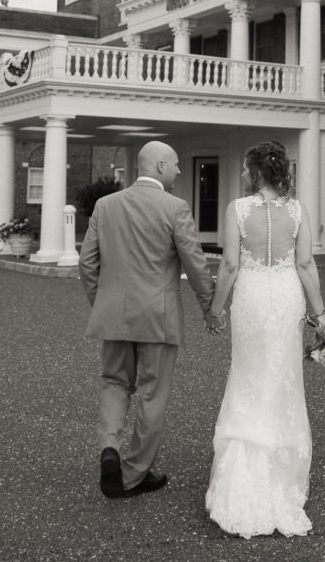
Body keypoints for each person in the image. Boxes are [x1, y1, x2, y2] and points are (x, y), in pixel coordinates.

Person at [204, 140, 325, 538]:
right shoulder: (296, 210)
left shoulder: (238, 209)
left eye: (245, 169)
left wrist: (216, 309)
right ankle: (279, 473)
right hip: (286, 296)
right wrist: (321, 314)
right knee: (281, 378)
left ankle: (243, 474)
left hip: (253, 299)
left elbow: (228, 264)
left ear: (257, 172)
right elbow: (306, 263)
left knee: (248, 374)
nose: (242, 176)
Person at [79, 141, 216, 499]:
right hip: (158, 317)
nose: (178, 171)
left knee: (114, 382)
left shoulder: (105, 205)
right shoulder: (175, 208)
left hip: (113, 316)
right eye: (173, 165)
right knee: (152, 394)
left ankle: (109, 449)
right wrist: (209, 307)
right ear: (158, 167)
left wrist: (103, 303)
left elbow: (87, 264)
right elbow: (196, 264)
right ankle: (133, 474)